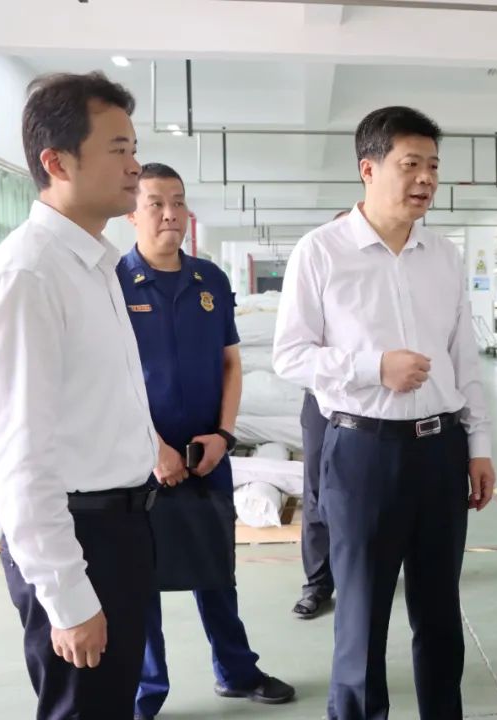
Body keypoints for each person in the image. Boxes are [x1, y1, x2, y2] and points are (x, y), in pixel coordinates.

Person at [272, 106, 496, 720]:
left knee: (440, 612)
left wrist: (478, 446)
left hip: (441, 450)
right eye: (411, 165)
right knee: (362, 615)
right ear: (368, 169)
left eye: (434, 167)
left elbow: (464, 359)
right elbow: (290, 355)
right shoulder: (321, 252)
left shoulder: (444, 255)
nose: (426, 179)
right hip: (362, 452)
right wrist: (374, 367)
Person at [0, 72, 158, 719]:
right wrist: (66, 596)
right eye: (117, 149)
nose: (134, 167)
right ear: (57, 162)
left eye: (134, 149)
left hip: (119, 527)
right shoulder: (30, 273)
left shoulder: (94, 263)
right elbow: (20, 455)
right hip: (77, 536)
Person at [118, 163, 295, 718]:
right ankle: (145, 694)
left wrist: (223, 434)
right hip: (138, 461)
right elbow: (109, 379)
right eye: (155, 203)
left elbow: (230, 364)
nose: (169, 213)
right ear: (132, 213)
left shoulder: (210, 281)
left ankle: (237, 671)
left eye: (177, 201)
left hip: (207, 454)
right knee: (139, 580)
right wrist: (154, 449)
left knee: (216, 569)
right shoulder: (114, 283)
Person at [292, 207, 351, 622]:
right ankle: (317, 583)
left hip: (369, 405)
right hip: (321, 401)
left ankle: (361, 575)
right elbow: (295, 350)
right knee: (316, 492)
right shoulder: (314, 279)